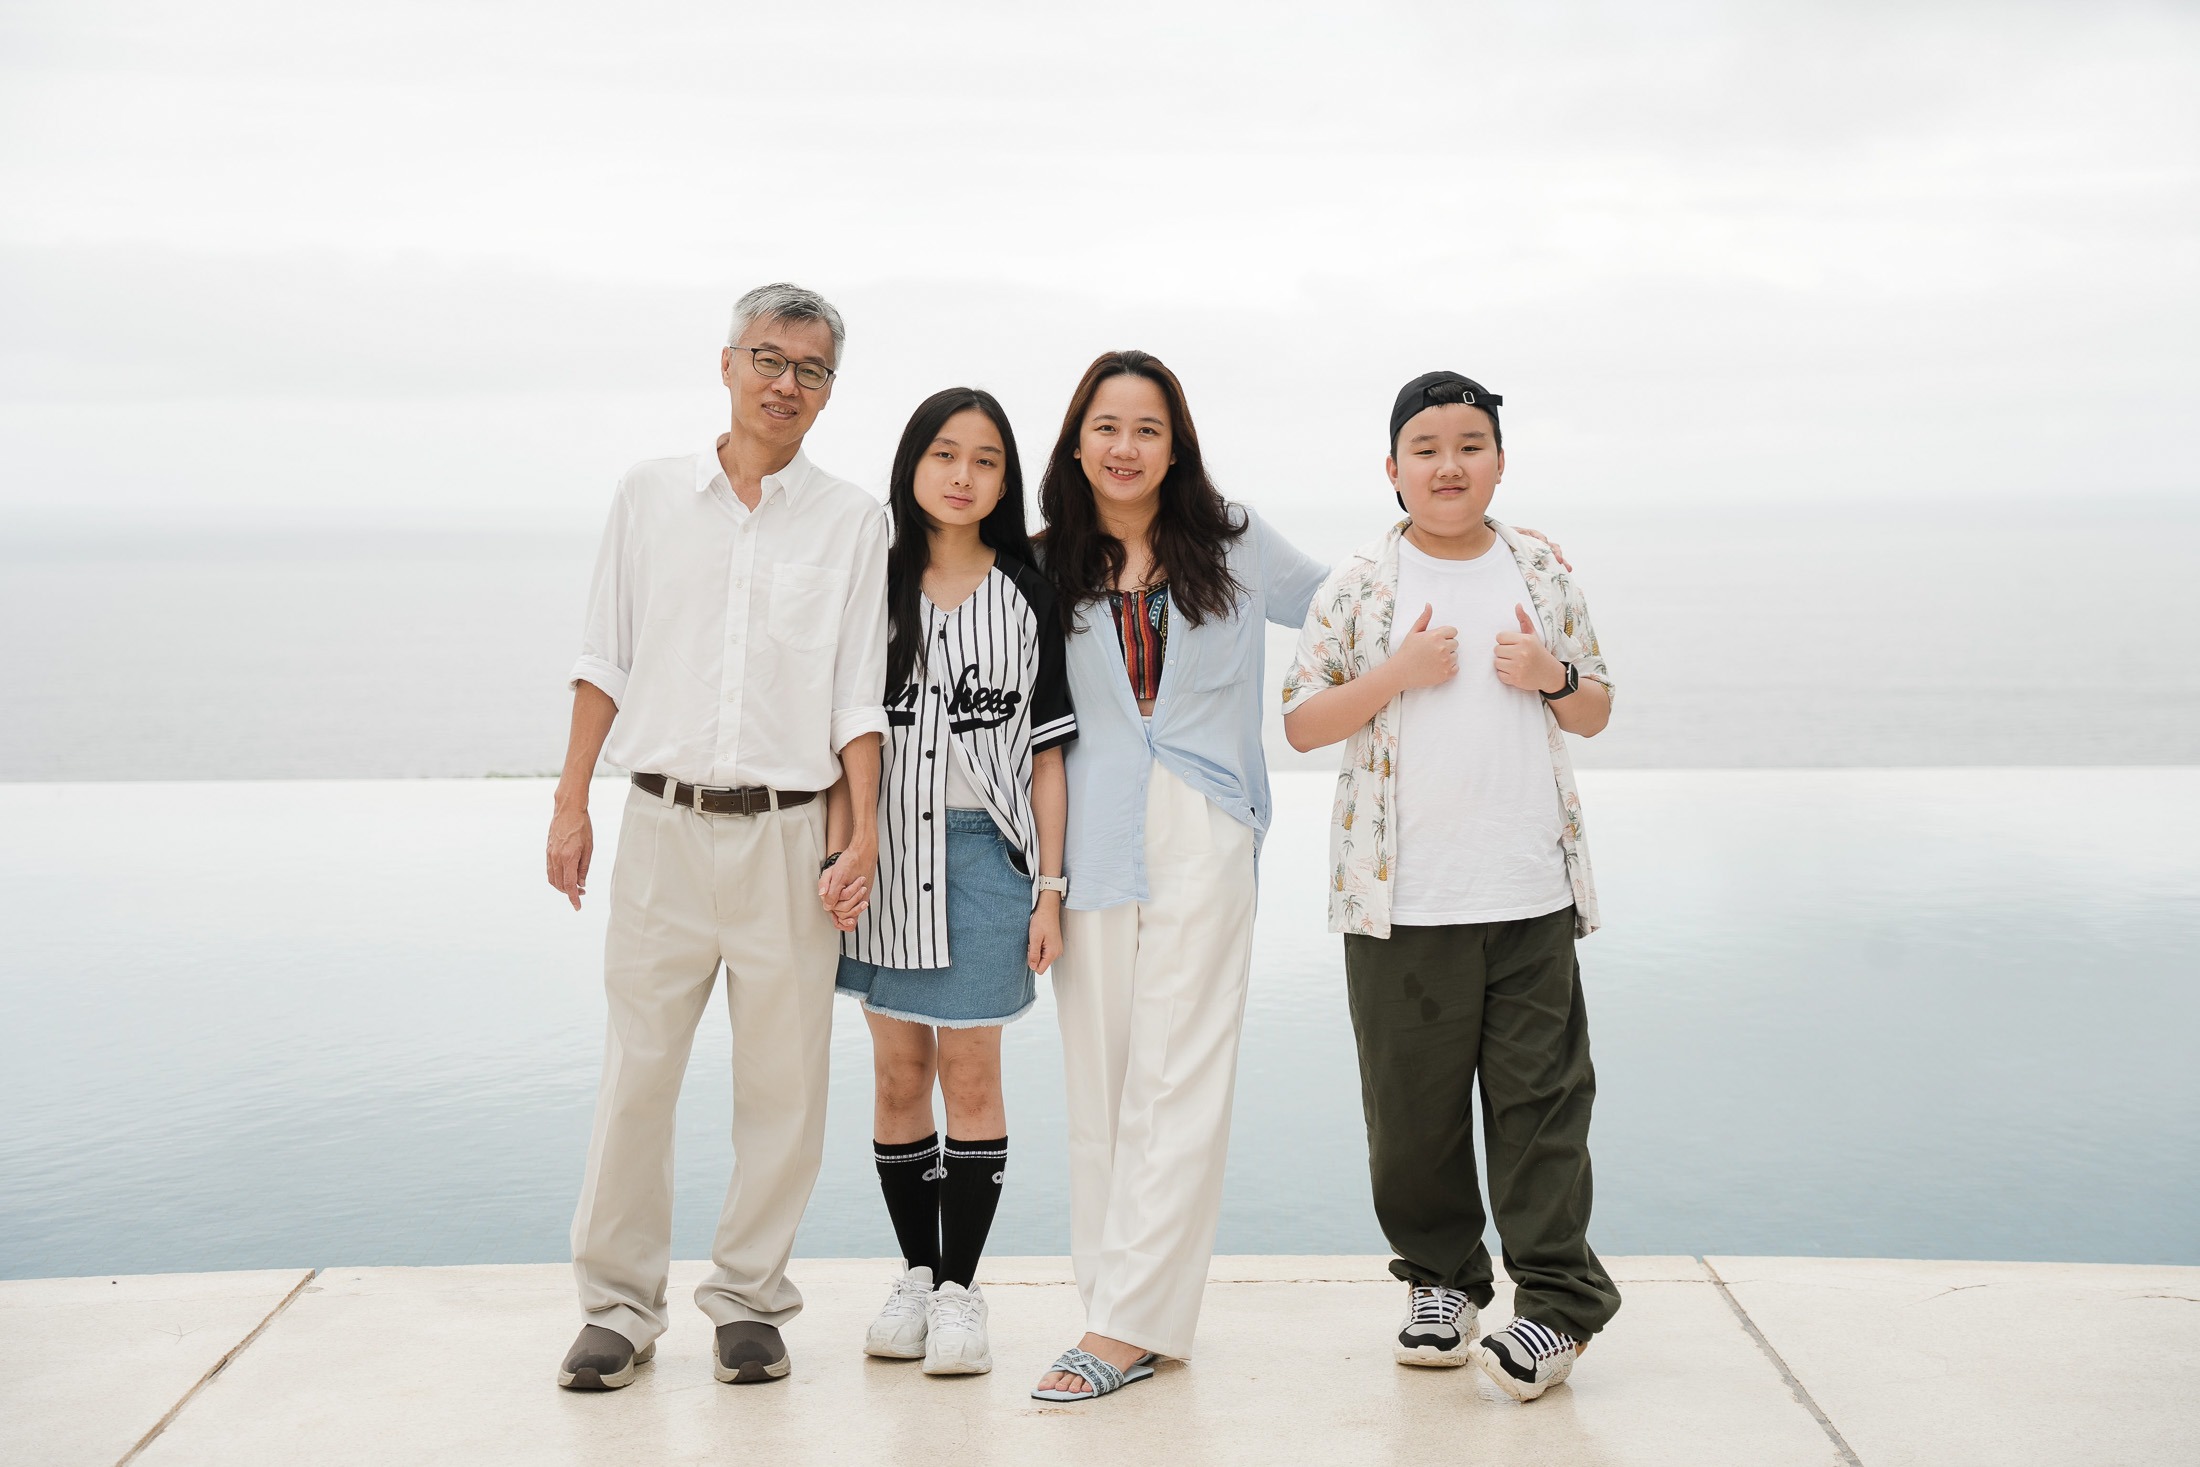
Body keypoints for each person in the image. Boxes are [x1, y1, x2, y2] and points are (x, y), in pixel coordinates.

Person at [546, 283, 889, 1391]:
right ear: (728, 363)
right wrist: (570, 802)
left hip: (790, 840)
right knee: (636, 1075)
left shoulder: (854, 520)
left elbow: (855, 698)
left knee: (783, 1090)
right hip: (658, 829)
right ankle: (616, 1308)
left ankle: (747, 1302)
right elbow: (605, 656)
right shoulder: (648, 497)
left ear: (830, 391)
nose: (786, 383)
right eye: (769, 358)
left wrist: (862, 836)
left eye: (811, 370)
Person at [1280, 371, 1620, 1403]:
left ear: (1498, 463)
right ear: (1393, 470)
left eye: (1469, 444)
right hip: (1401, 902)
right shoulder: (1355, 587)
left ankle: (1556, 1310)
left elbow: (1597, 708)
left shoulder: (1543, 571)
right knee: (1411, 1117)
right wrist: (1397, 672)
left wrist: (1550, 679)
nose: (1448, 464)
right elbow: (1300, 721)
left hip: (1528, 896)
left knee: (1542, 1110)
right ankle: (1441, 1285)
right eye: (1425, 448)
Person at [1028, 350, 1328, 1402]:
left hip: (1204, 822)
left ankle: (1127, 1327)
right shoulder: (1040, 563)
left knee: (1181, 1076)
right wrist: (1041, 882)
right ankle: (1113, 1306)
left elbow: (1349, 602)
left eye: (1146, 429)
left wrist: (1491, 554)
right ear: (1077, 442)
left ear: (1175, 444)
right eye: (1106, 427)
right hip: (1083, 842)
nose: (1124, 447)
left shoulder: (1232, 542)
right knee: (1100, 1081)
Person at [830, 388, 1076, 1378]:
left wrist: (1049, 888)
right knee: (897, 1077)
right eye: (944, 453)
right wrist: (843, 848)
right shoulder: (872, 584)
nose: (963, 474)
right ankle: (917, 1278)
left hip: (986, 858)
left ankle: (964, 1292)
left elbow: (1049, 755)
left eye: (985, 459)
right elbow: (842, 731)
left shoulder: (1028, 594)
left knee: (971, 1075)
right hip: (881, 856)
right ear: (912, 465)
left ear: (1004, 480)